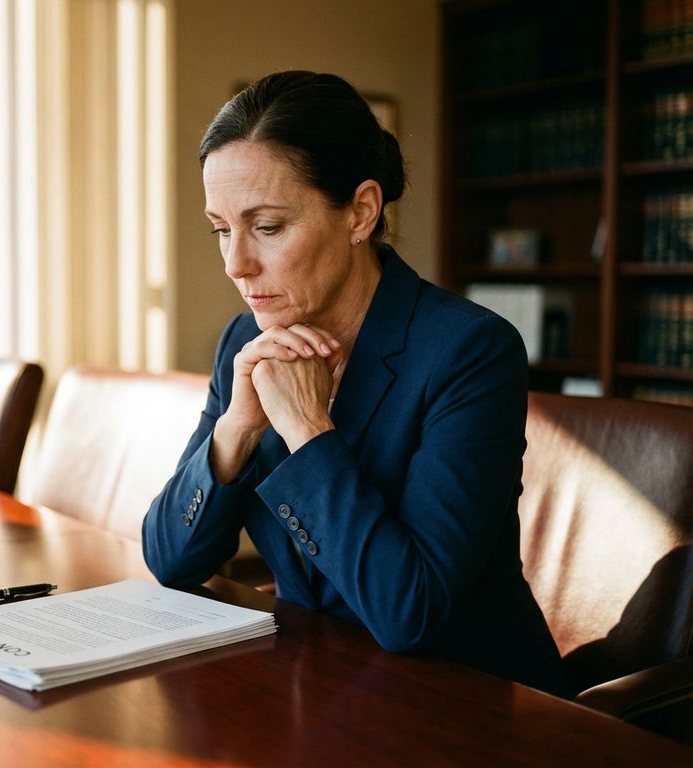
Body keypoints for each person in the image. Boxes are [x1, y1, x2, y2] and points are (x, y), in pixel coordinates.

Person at [142, 70, 569, 696]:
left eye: (267, 227)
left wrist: (308, 430)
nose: (236, 264)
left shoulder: (471, 352)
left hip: (471, 701)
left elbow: (411, 614)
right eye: (221, 230)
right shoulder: (244, 344)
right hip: (325, 682)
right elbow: (170, 561)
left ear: (361, 212)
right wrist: (235, 430)